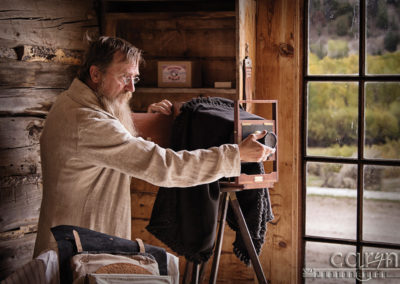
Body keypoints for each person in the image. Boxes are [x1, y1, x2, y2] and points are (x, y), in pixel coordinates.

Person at [33, 36, 274, 257]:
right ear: (95, 74)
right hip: (77, 247)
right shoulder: (87, 122)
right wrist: (235, 155)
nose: (132, 88)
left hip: (74, 240)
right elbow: (163, 167)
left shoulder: (71, 103)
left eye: (134, 78)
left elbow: (113, 145)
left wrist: (147, 124)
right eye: (124, 77)